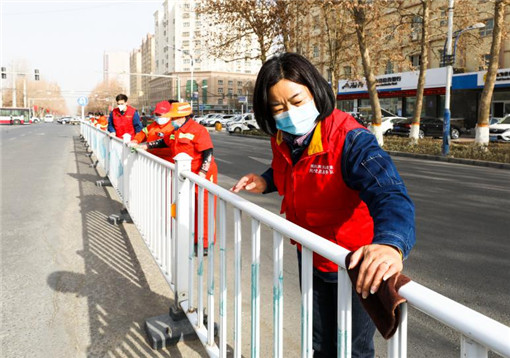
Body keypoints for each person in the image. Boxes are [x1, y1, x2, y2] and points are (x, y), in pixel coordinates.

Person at [231, 53, 415, 357]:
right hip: (309, 254)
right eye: (278, 108)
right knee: (319, 343)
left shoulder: (351, 140)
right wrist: (265, 180)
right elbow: (292, 170)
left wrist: (390, 244)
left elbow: (390, 193)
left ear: (315, 91)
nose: (289, 113)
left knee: (353, 349)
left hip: (353, 264)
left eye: (297, 100)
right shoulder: (283, 137)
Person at [135, 101, 218, 250]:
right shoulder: (175, 131)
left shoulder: (198, 130)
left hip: (201, 173)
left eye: (173, 118)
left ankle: (204, 244)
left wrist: (203, 172)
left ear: (183, 117)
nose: (171, 121)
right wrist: (146, 145)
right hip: (184, 173)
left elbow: (208, 152)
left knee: (203, 208)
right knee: (186, 205)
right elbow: (163, 142)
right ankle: (190, 236)